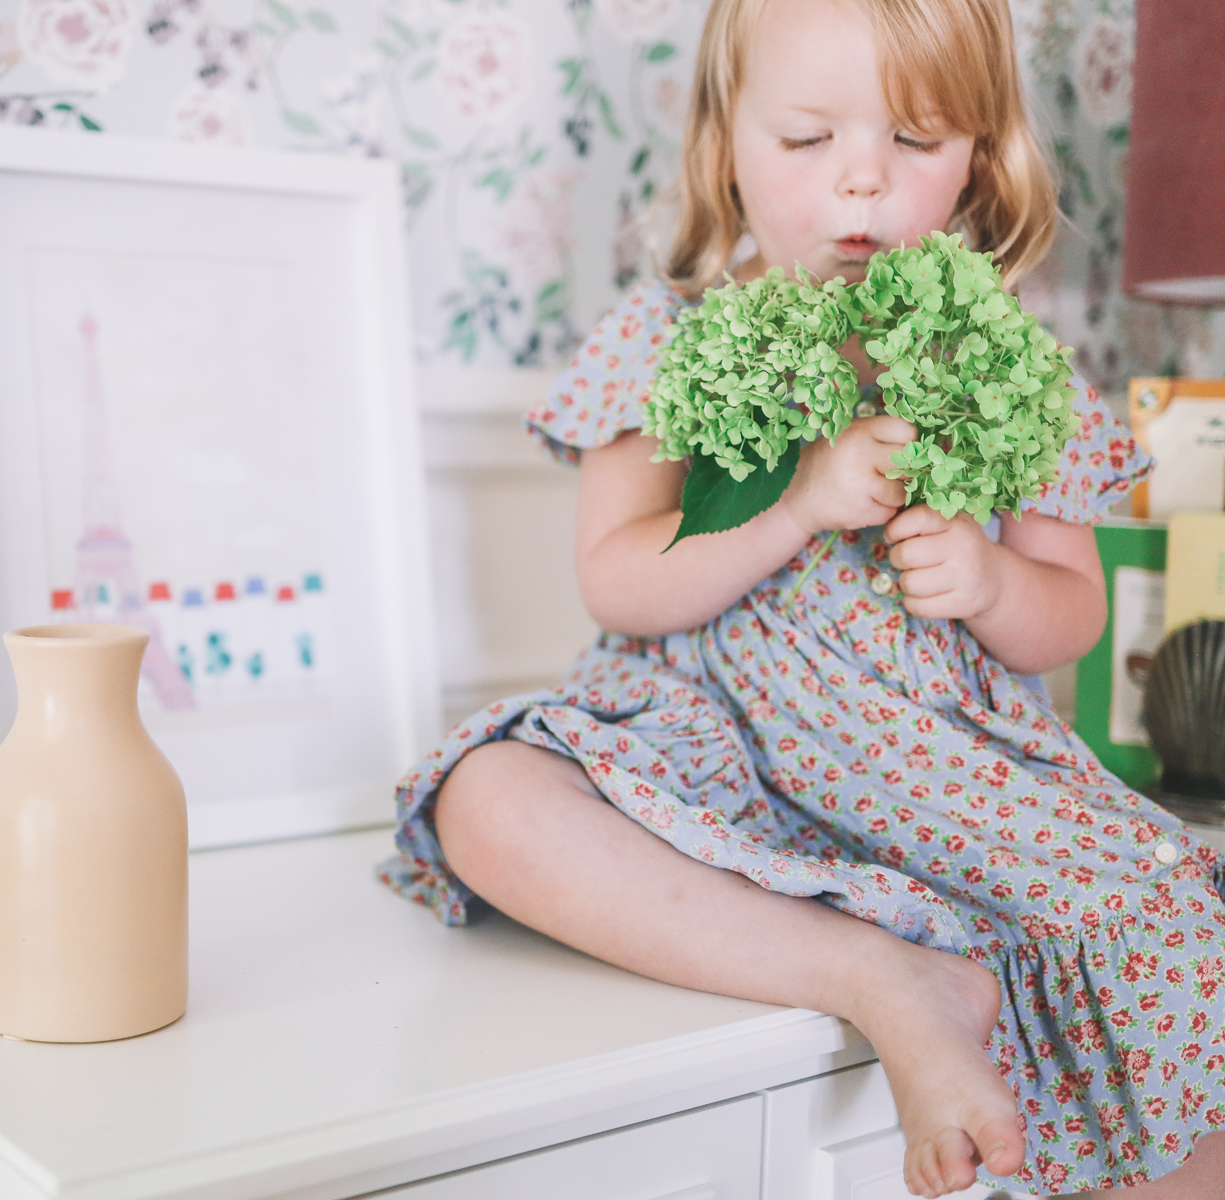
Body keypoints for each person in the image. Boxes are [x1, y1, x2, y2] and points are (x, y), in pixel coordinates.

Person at [376, 0, 1225, 1195]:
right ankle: (880, 976)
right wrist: (792, 507)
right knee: (486, 796)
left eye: (917, 142)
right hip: (700, 738)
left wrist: (987, 581)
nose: (862, 187)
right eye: (808, 140)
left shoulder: (1003, 357)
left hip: (932, 766)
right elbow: (615, 578)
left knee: (1165, 907)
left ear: (981, 157)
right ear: (727, 143)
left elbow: (1071, 614)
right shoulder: (667, 338)